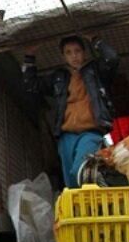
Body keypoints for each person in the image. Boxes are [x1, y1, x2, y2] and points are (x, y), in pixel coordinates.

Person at [23, 35, 119, 188]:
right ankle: (78, 211)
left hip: (91, 132)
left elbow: (112, 59)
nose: (74, 56)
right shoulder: (59, 77)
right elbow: (32, 85)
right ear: (63, 56)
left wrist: (95, 39)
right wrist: (29, 56)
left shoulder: (95, 71)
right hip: (66, 135)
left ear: (84, 53)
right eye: (68, 52)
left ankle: (100, 187)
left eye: (77, 51)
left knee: (78, 171)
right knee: (70, 183)